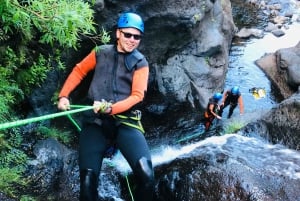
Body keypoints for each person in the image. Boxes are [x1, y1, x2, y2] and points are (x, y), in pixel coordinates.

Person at [57, 12, 154, 201]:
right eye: (128, 34)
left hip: (125, 122)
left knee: (147, 176)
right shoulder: (100, 52)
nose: (132, 40)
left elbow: (137, 96)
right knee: (87, 184)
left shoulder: (140, 62)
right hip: (96, 122)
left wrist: (111, 109)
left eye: (137, 37)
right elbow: (79, 71)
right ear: (118, 33)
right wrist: (63, 96)